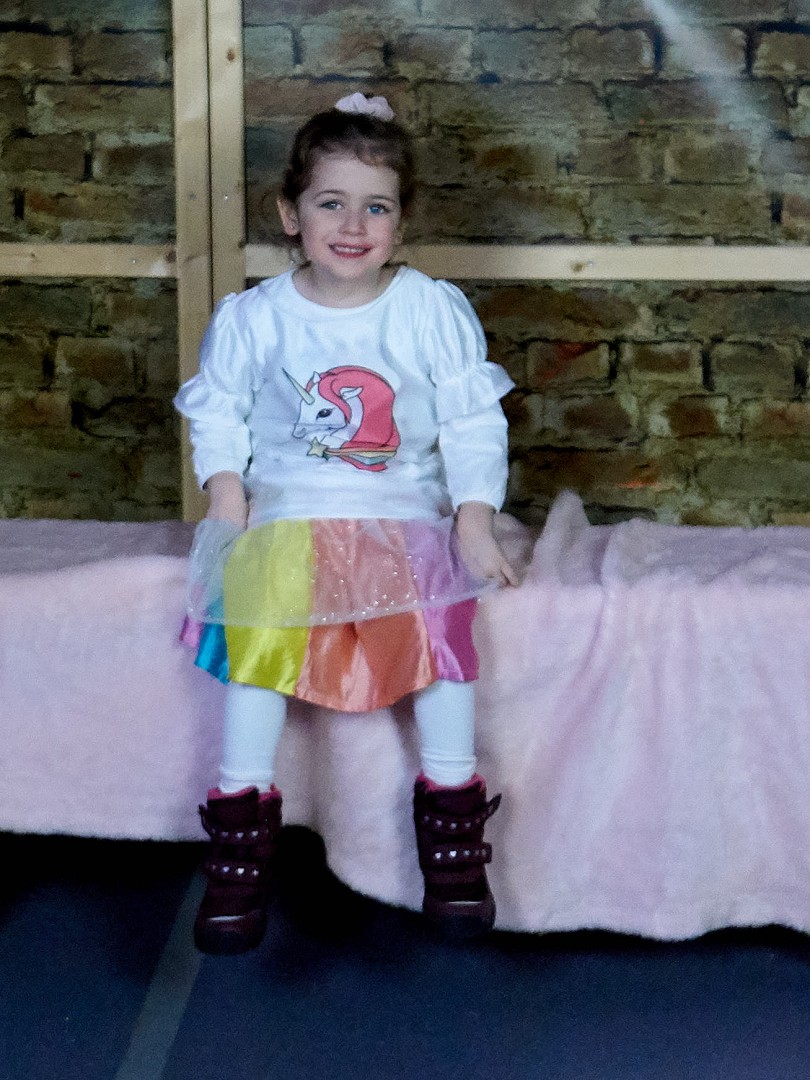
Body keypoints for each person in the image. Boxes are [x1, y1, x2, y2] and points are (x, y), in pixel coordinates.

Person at [175, 91, 520, 954]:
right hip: (291, 513)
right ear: (291, 214)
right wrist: (228, 496)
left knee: (441, 647)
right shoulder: (255, 317)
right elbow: (218, 412)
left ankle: (453, 834)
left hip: (400, 512)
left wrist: (474, 517)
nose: (354, 225)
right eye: (332, 203)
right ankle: (240, 842)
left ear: (402, 222)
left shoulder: (428, 308)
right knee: (255, 649)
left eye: (377, 207)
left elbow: (472, 421)